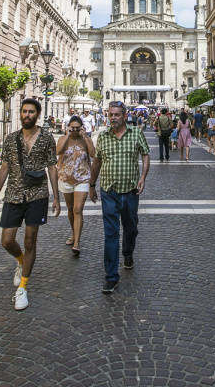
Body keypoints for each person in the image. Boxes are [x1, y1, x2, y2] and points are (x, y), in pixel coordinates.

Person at [0, 97, 60, 311]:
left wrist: (56, 196)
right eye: (24, 111)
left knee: (30, 241)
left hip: (37, 194)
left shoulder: (47, 138)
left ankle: (23, 288)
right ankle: (20, 261)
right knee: (6, 241)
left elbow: (52, 167)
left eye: (31, 112)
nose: (26, 115)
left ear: (37, 114)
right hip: (13, 194)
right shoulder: (11, 139)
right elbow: (4, 167)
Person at [89, 100, 150, 295]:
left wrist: (143, 177)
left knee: (131, 228)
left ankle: (128, 252)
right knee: (111, 233)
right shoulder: (103, 137)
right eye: (110, 114)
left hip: (131, 191)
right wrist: (91, 184)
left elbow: (146, 154)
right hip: (109, 191)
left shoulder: (136, 133)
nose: (113, 118)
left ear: (124, 116)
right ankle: (111, 277)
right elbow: (97, 161)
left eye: (116, 114)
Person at [57, 115, 95, 256]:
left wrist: (85, 137)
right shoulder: (63, 139)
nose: (74, 130)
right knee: (70, 208)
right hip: (65, 178)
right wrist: (67, 135)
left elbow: (93, 154)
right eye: (72, 128)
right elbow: (58, 151)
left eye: (77, 128)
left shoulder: (85, 140)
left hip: (82, 179)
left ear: (81, 128)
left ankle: (77, 242)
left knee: (78, 209)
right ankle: (73, 233)